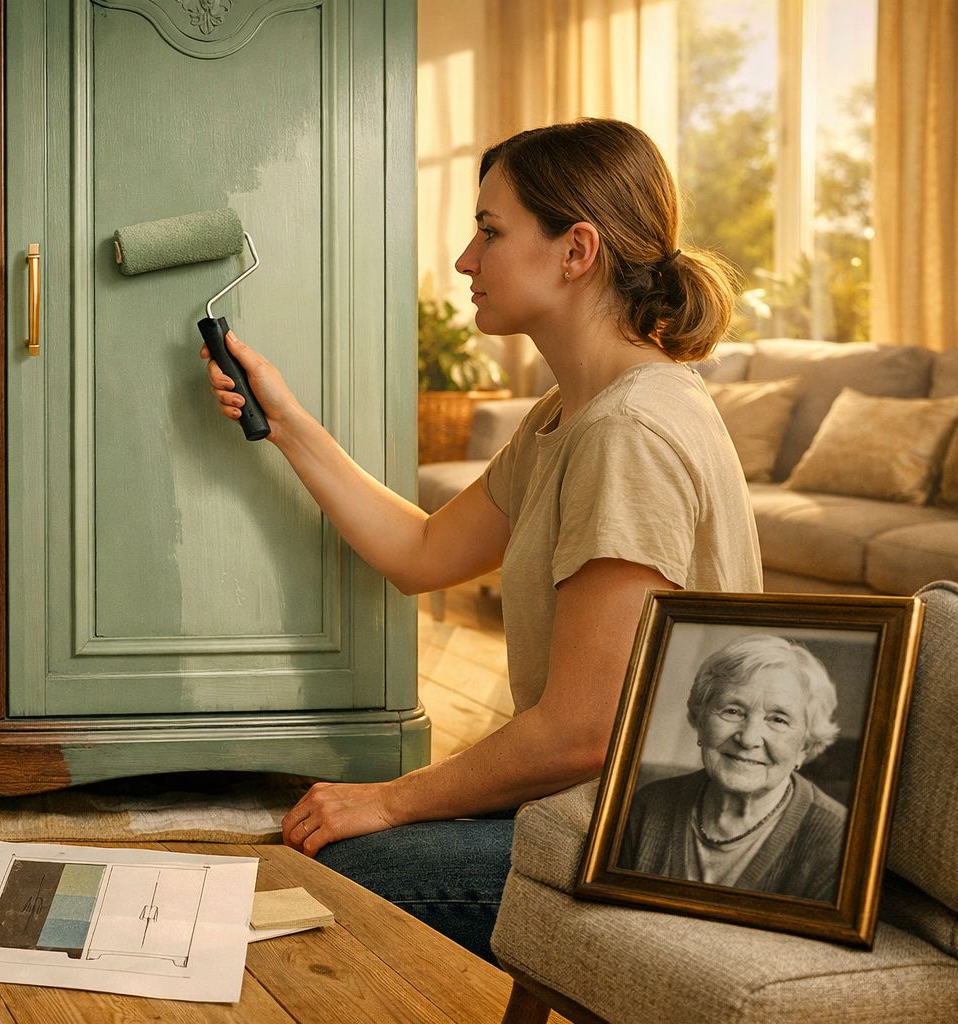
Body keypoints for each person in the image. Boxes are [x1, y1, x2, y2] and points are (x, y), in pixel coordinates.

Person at [200, 118, 763, 961]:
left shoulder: (630, 431)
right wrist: (287, 424)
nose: (466, 260)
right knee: (320, 854)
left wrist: (392, 799)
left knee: (322, 878)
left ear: (577, 251)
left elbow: (586, 729)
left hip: (657, 845)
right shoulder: (569, 416)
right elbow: (422, 553)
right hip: (597, 810)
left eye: (489, 232)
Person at [618, 634, 847, 901]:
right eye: (733, 711)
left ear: (806, 746)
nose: (748, 738)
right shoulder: (649, 805)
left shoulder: (838, 841)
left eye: (778, 719)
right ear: (701, 720)